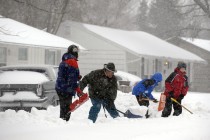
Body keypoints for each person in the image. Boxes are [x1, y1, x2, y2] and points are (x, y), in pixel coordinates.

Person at [55, 45, 83, 121]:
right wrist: (78, 90)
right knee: (67, 110)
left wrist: (76, 77)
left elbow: (65, 75)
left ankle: (62, 122)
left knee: (63, 108)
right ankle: (64, 125)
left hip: (60, 87)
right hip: (66, 89)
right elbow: (71, 80)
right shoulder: (72, 61)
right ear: (75, 52)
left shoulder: (64, 60)